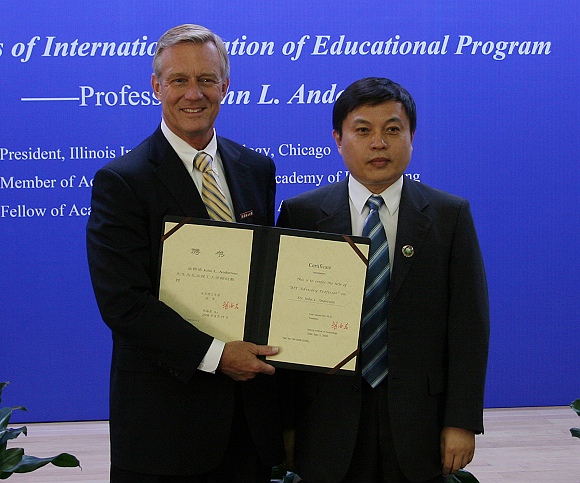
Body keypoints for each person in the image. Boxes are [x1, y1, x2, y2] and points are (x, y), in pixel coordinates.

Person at [86, 24, 284, 482]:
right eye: (179, 80)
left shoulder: (257, 169)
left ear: (225, 86)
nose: (194, 94)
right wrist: (217, 356)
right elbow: (123, 303)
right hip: (165, 429)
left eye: (206, 79)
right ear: (156, 86)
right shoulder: (123, 181)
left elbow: (264, 277)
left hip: (247, 426)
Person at [277, 77, 490, 483]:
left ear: (412, 137)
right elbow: (285, 327)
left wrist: (461, 421)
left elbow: (469, 327)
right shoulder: (302, 215)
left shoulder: (449, 216)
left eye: (392, 130)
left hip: (419, 422)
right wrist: (285, 424)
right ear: (338, 140)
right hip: (325, 421)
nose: (378, 143)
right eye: (363, 131)